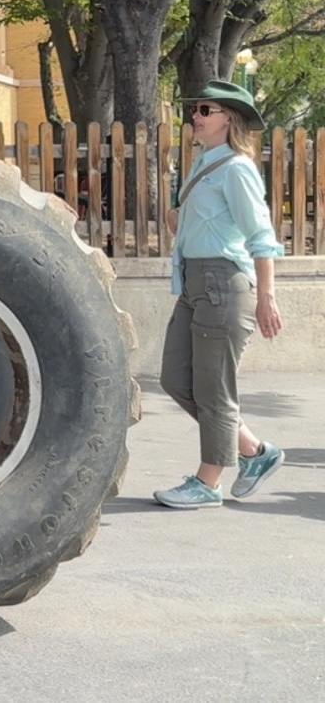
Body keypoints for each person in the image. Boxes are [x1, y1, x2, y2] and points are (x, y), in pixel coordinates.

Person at [154, 79, 287, 509]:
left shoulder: (237, 168)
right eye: (196, 109)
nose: (196, 115)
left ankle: (207, 482)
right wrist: (181, 221)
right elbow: (208, 226)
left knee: (214, 390)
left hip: (223, 284)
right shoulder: (202, 164)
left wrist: (266, 296)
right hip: (195, 283)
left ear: (228, 118)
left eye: (205, 110)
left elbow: (261, 237)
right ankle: (254, 451)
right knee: (175, 380)